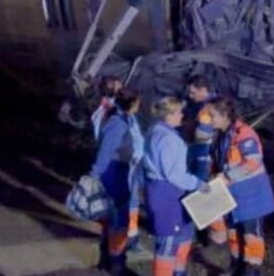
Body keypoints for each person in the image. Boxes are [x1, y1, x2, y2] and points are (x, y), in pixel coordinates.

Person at [208, 97, 274, 276]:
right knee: (233, 234)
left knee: (251, 237)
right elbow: (219, 161)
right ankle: (236, 269)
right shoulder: (221, 135)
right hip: (232, 196)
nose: (209, 119)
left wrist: (227, 176)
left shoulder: (244, 134)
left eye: (212, 115)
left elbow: (252, 161)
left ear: (224, 115)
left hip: (251, 196)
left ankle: (251, 272)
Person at [143, 96, 207, 276]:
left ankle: (179, 273)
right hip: (168, 194)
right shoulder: (169, 139)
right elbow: (175, 175)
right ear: (169, 115)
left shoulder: (155, 130)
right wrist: (198, 184)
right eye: (179, 112)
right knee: (169, 242)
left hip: (160, 191)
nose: (182, 115)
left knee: (183, 235)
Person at [89, 88, 142, 275]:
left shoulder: (123, 120)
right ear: (131, 103)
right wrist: (95, 175)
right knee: (118, 221)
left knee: (114, 220)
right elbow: (106, 152)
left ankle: (109, 260)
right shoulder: (117, 124)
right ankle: (116, 263)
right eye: (138, 101)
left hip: (120, 171)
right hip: (115, 173)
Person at [182, 74, 226, 245]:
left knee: (202, 192)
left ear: (203, 90)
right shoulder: (216, 103)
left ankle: (215, 233)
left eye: (193, 92)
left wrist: (188, 132)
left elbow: (202, 135)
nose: (190, 96)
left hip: (204, 156)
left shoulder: (207, 111)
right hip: (209, 155)